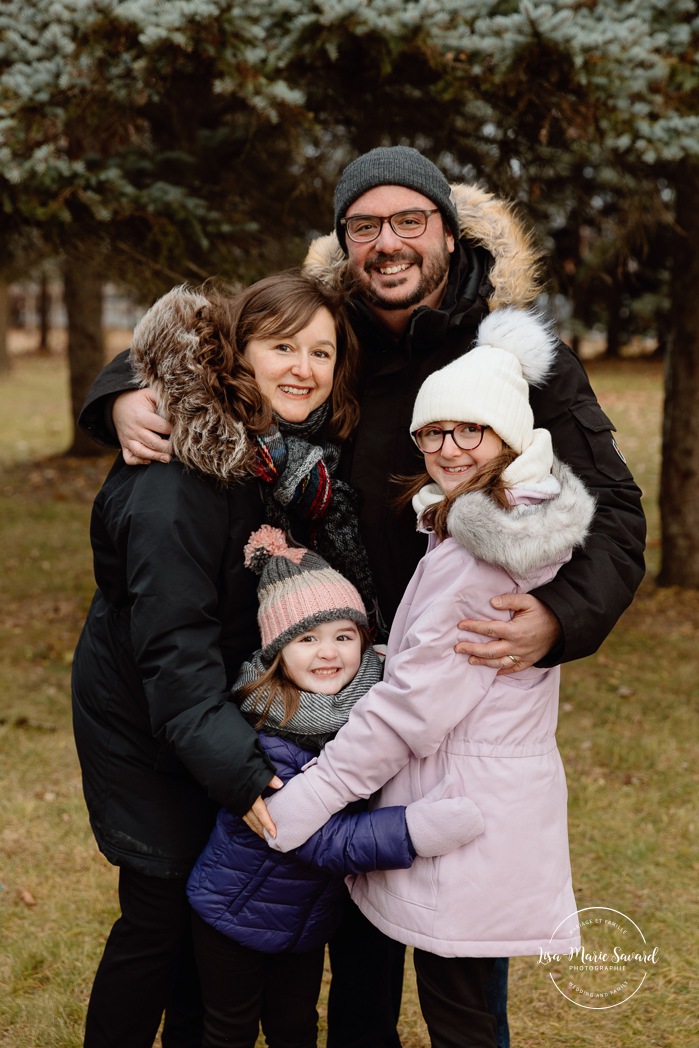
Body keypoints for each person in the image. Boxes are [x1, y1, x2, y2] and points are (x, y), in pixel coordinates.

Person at [78, 146, 646, 1048]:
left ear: (447, 234)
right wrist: (119, 392)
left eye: (408, 222)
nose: (387, 243)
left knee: (457, 937)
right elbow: (209, 349)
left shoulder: (509, 353)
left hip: (449, 681)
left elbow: (613, 509)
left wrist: (561, 616)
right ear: (343, 242)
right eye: (364, 226)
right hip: (327, 681)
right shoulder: (324, 325)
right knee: (356, 930)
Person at [264, 307, 596, 1047]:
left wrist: (312, 799)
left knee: (461, 1019)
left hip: (467, 808)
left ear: (509, 438)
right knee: (464, 1007)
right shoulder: (482, 523)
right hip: (483, 795)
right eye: (432, 432)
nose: (446, 448)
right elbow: (438, 669)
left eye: (467, 431)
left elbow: (412, 710)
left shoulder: (481, 553)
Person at [72, 271, 379, 1048]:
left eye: (321, 350)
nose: (305, 367)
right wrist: (244, 776)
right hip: (146, 719)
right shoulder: (179, 477)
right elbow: (172, 653)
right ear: (235, 352)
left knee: (198, 911)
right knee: (158, 912)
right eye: (282, 347)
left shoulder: (268, 456)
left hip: (199, 710)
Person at [186, 525, 484, 1047]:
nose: (329, 653)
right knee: (228, 1030)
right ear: (277, 652)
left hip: (305, 925)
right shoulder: (265, 732)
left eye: (344, 636)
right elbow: (315, 836)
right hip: (232, 913)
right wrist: (412, 833)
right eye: (307, 639)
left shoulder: (363, 712)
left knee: (295, 1025)